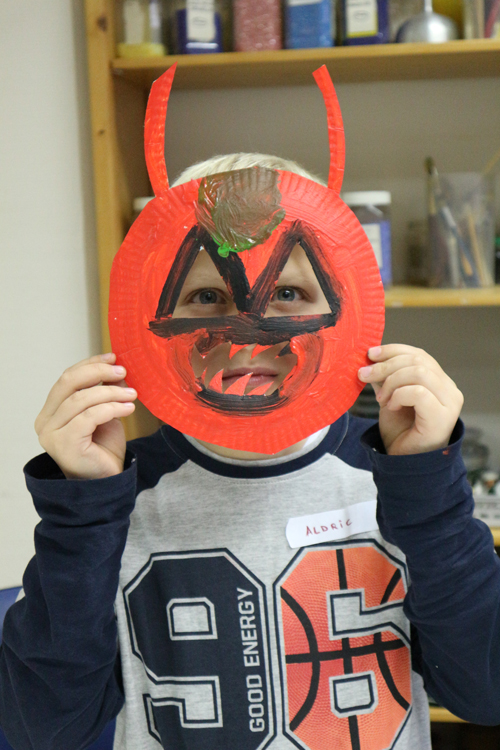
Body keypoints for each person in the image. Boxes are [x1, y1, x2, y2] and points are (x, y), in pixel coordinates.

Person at [1, 153, 499, 750]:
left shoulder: (393, 480)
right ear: (153, 312)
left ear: (347, 303)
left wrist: (427, 489)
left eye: (288, 290)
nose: (249, 328)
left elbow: (486, 690)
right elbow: (43, 726)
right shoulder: (115, 500)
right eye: (207, 294)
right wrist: (81, 513)